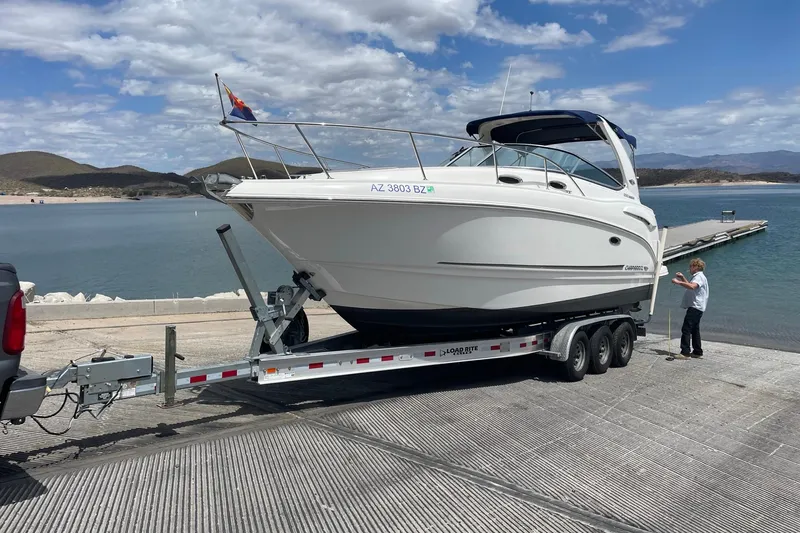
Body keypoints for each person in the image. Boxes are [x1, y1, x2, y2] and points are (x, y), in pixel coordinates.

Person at [671, 258, 709, 357]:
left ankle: (685, 352)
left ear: (695, 267)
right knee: (695, 329)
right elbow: (690, 285)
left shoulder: (699, 276)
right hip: (697, 307)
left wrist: (678, 282)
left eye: (691, 266)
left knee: (686, 329)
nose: (690, 268)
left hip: (695, 307)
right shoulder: (698, 277)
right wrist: (682, 278)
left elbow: (692, 287)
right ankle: (697, 351)